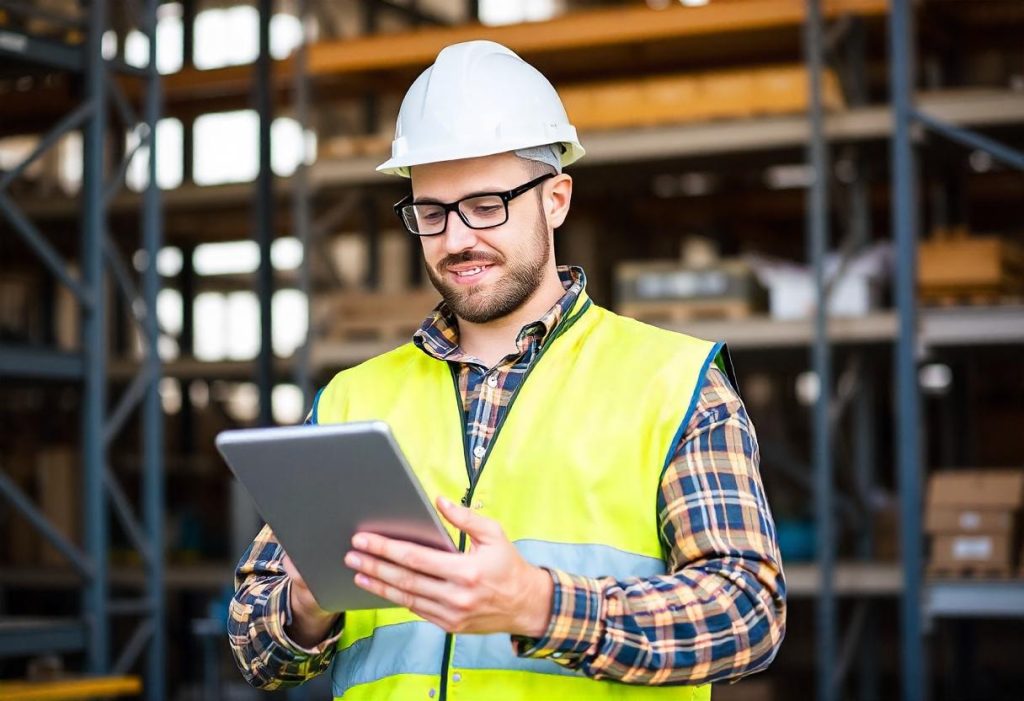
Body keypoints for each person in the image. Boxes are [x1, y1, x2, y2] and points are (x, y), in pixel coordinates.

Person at [229, 40, 785, 700]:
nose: (457, 238)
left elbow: (748, 613)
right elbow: (254, 648)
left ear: (556, 199)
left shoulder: (672, 382)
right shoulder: (352, 398)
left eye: (487, 204)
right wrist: (305, 603)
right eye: (430, 212)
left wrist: (540, 605)